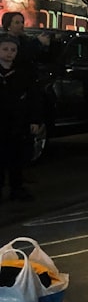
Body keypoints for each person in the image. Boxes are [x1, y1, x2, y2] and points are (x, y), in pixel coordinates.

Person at [0, 34, 43, 202]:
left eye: (13, 50)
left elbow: (34, 97)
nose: (9, 53)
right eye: (5, 49)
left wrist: (34, 119)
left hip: (18, 123)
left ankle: (16, 187)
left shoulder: (23, 74)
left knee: (16, 157)